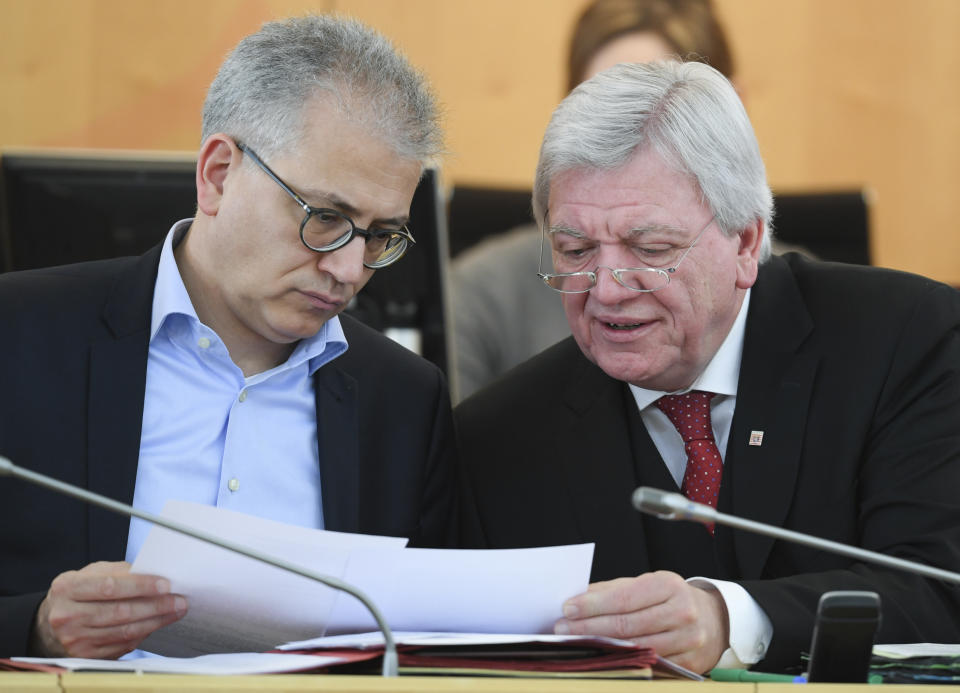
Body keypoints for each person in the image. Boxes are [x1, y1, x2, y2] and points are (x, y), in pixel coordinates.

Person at [455, 60, 960, 674]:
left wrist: (731, 618)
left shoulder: (906, 342)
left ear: (747, 243)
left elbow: (941, 588)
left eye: (651, 249)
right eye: (576, 250)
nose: (607, 290)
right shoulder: (496, 438)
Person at [0, 14, 454, 659]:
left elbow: (430, 642)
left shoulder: (404, 399)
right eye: (326, 218)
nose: (350, 270)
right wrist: (36, 627)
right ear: (218, 174)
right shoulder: (18, 337)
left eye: (381, 236)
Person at [450, 0, 736, 401]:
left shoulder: (812, 306)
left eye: (661, 116)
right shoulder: (480, 294)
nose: (609, 288)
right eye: (602, 114)